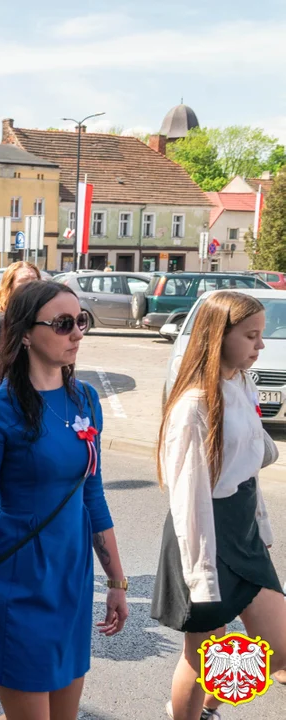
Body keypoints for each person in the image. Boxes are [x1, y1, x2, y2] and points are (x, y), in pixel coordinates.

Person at [0, 281, 127, 719]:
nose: (77, 333)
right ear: (27, 333)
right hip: (19, 584)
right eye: (63, 323)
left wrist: (116, 581)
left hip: (71, 582)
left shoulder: (86, 399)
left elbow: (93, 492)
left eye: (80, 321)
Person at [151, 291, 285, 720]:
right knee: (203, 650)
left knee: (274, 646)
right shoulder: (193, 406)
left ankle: (207, 705)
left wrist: (260, 530)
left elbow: (250, 464)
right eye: (251, 335)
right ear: (218, 337)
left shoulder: (242, 382)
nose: (260, 345)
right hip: (204, 536)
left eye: (261, 335)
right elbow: (188, 497)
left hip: (240, 531)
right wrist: (201, 575)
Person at [0, 261, 42, 396]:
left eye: (34, 280)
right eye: (23, 281)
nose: (30, 285)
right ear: (9, 287)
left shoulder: (43, 322)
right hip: (6, 401)